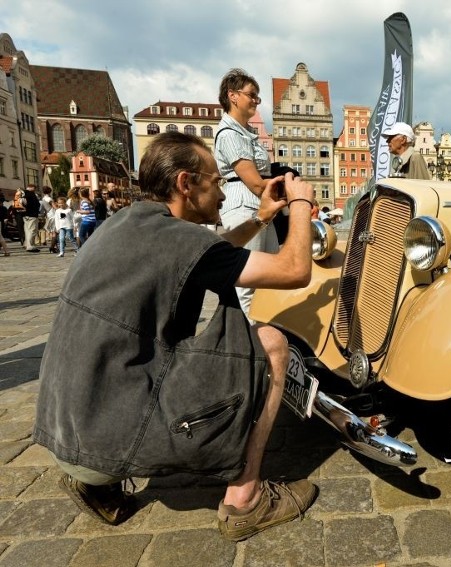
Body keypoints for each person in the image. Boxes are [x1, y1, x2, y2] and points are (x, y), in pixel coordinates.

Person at [34, 131, 318, 541]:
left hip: (68, 432)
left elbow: (207, 253)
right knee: (271, 343)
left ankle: (97, 484)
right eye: (216, 182)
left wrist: (262, 217)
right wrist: (302, 203)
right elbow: (295, 270)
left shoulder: (124, 224)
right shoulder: (178, 239)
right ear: (186, 184)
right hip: (105, 442)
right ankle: (246, 501)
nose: (221, 194)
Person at [214, 68, 278, 317]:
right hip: (244, 206)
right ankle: (253, 341)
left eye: (257, 96)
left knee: (271, 275)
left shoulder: (247, 133)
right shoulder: (229, 134)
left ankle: (269, 332)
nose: (255, 100)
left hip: (261, 207)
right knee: (249, 283)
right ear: (233, 95)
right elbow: (255, 183)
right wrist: (291, 193)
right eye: (252, 94)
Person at [22, 184, 41, 252]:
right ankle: (30, 246)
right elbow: (36, 205)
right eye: (34, 188)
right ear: (32, 188)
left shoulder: (23, 194)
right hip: (32, 215)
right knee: (32, 230)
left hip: (24, 215)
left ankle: (27, 244)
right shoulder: (31, 194)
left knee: (27, 230)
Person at [41, 187, 57, 253]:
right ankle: (52, 247)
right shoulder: (49, 199)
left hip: (49, 215)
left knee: (52, 232)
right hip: (53, 215)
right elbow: (55, 207)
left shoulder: (43, 198)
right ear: (50, 191)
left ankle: (54, 246)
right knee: (55, 232)